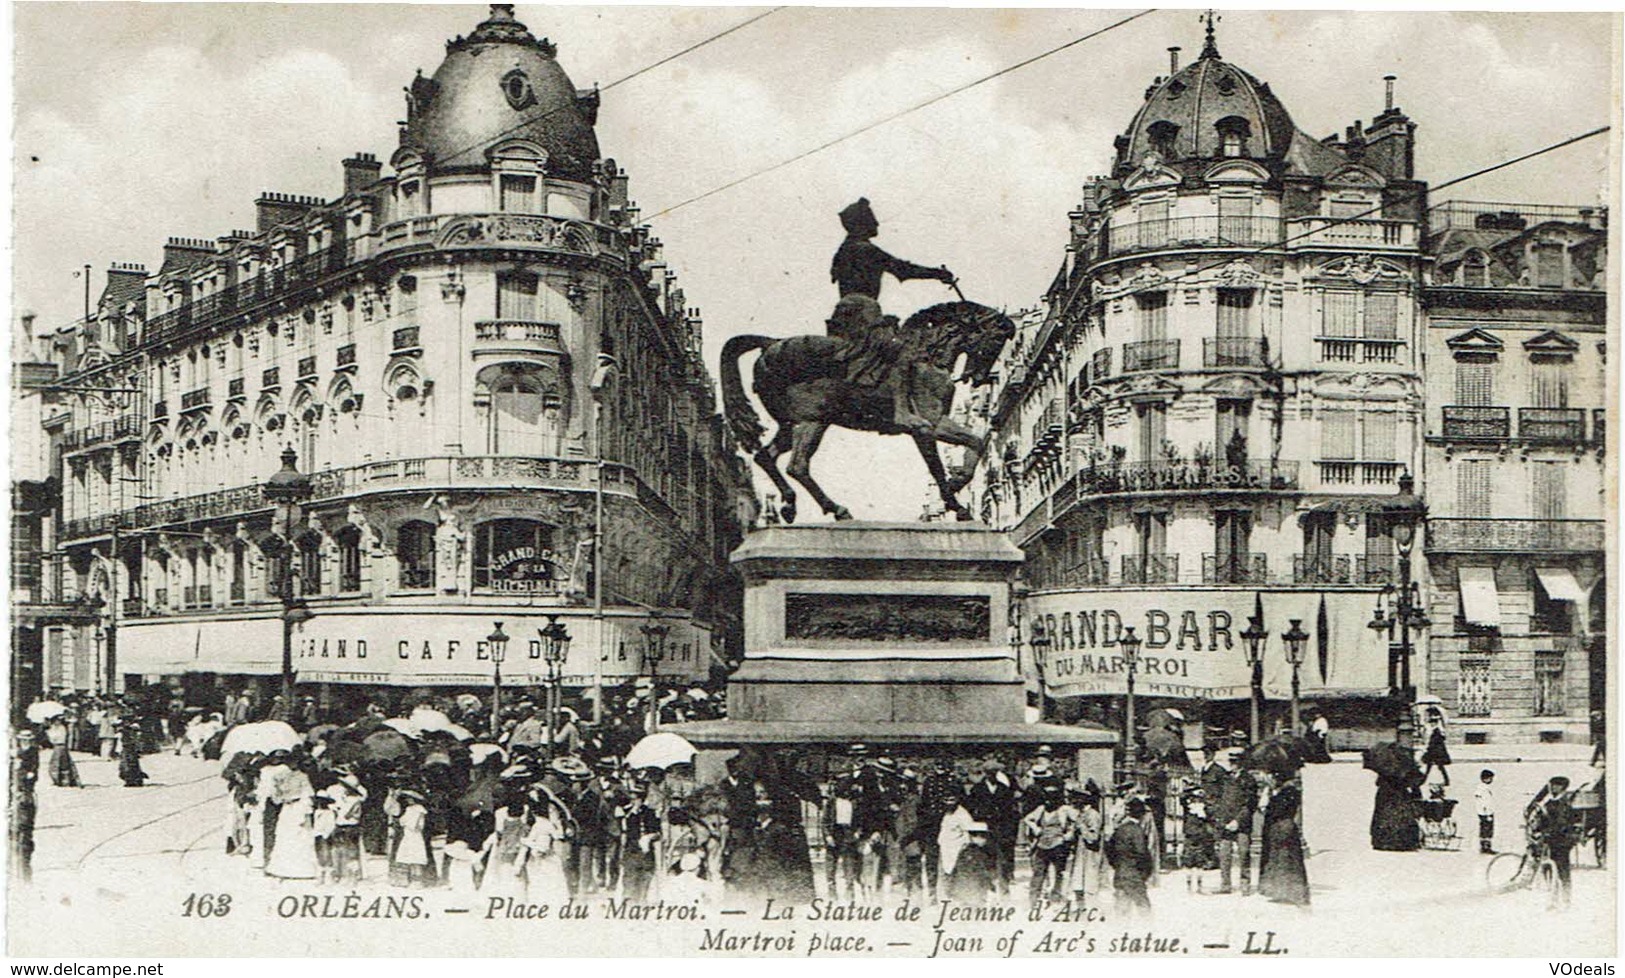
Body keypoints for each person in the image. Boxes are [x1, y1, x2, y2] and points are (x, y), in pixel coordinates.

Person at [827, 197, 956, 433]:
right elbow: (903, 269)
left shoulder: (846, 249)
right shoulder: (864, 248)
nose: (877, 223)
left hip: (846, 310)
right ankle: (901, 411)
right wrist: (938, 274)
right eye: (872, 220)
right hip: (863, 308)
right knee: (899, 351)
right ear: (861, 224)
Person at [965, 757, 1022, 894]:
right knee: (986, 857)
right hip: (984, 828)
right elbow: (971, 809)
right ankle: (987, 884)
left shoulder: (1004, 789)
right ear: (985, 773)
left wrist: (1008, 827)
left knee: (1002, 857)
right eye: (989, 773)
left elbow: (1010, 810)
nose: (992, 775)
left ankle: (1003, 885)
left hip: (1001, 828)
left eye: (994, 773)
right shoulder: (977, 789)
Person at [1257, 775, 1310, 906]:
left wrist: (1269, 799)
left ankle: (1292, 893)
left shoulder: (1288, 792)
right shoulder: (1281, 792)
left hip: (1284, 829)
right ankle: (1280, 892)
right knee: (1278, 860)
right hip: (1279, 829)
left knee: (1287, 861)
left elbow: (1276, 810)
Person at [1021, 784, 1078, 905]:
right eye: (1046, 798)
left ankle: (1056, 898)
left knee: (1059, 873)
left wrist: (1069, 834)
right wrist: (1035, 827)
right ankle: (1033, 900)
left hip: (1058, 845)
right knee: (1038, 872)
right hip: (1042, 844)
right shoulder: (1041, 809)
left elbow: (1077, 821)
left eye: (1051, 799)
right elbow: (1027, 818)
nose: (1048, 802)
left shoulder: (1064, 810)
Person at [1527, 776, 1578, 909]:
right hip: (1550, 841)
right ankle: (1553, 901)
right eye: (1551, 785)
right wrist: (1536, 828)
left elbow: (1561, 823)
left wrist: (1546, 832)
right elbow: (1543, 820)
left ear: (1562, 787)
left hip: (1562, 841)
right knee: (1549, 870)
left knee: (1562, 872)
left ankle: (1566, 901)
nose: (1552, 787)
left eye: (1556, 785)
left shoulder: (1564, 803)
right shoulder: (1550, 802)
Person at [1210, 750, 1256, 894]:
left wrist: (1238, 820)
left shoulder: (1248, 780)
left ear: (1242, 763)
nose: (1233, 765)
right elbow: (1220, 800)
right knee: (1224, 855)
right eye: (1231, 762)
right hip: (1225, 822)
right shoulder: (1226, 778)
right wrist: (1221, 819)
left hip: (1241, 824)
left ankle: (1245, 884)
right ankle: (1225, 885)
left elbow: (1250, 804)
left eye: (1236, 762)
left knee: (1244, 853)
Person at [1106, 798, 1154, 915]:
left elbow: (1109, 849)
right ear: (1142, 815)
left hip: (1120, 873)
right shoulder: (1137, 831)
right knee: (1143, 907)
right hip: (1134, 874)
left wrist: (1117, 865)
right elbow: (1142, 853)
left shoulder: (1120, 829)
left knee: (1122, 909)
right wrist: (1146, 872)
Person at [523, 804, 572, 903]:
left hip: (540, 853)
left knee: (540, 875)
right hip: (548, 852)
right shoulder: (548, 824)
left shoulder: (538, 825)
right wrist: (558, 825)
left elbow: (531, 839)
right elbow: (558, 836)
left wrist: (524, 841)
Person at [388, 788, 434, 888]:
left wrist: (406, 823)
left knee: (416, 858)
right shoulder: (409, 809)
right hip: (408, 835)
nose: (409, 800)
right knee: (407, 857)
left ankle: (417, 881)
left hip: (415, 835)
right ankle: (406, 879)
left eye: (411, 798)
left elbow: (414, 824)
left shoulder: (418, 809)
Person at [946, 823, 996, 905]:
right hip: (974, 889)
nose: (985, 840)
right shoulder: (977, 853)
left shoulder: (965, 850)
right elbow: (982, 872)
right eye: (983, 837)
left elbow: (954, 871)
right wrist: (990, 886)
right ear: (976, 837)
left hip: (962, 890)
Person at [44, 718, 81, 788]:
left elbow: (54, 739)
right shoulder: (56, 728)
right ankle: (60, 780)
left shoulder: (61, 728)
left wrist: (48, 733)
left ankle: (62, 780)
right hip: (58, 747)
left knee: (59, 764)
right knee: (60, 763)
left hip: (59, 746)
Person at [1421, 709, 1452, 787]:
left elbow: (1434, 743)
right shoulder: (1437, 731)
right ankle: (1446, 780)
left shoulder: (1436, 732)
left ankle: (1424, 780)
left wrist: (1427, 749)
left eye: (1433, 723)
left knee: (1435, 767)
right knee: (1433, 767)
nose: (1431, 725)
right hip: (1436, 752)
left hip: (1436, 752)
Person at [1474, 769, 1497, 855]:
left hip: (1482, 812)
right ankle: (1486, 847)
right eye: (1490, 778)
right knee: (1487, 830)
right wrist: (1488, 814)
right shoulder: (1483, 789)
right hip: (1486, 813)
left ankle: (1483, 846)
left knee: (1484, 829)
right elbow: (1485, 803)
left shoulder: (1480, 788)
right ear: (1485, 779)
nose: (1491, 780)